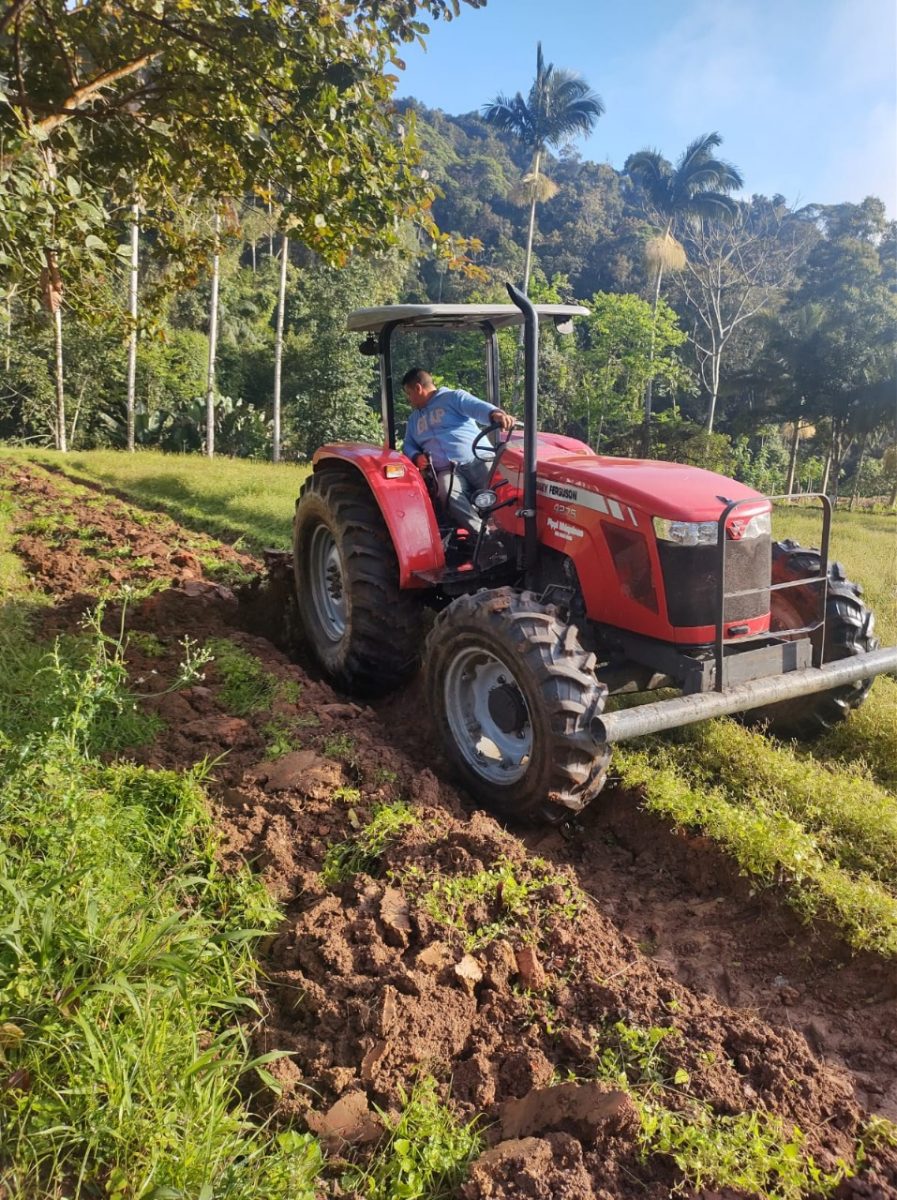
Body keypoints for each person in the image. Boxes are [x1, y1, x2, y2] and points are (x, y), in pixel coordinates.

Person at [401, 367, 515, 534]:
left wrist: (495, 414)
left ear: (418, 388)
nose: (409, 399)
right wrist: (416, 455)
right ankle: (486, 537)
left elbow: (477, 407)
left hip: (478, 459)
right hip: (448, 471)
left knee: (502, 494)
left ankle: (513, 535)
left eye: (409, 393)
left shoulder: (452, 398)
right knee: (446, 492)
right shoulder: (413, 420)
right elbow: (408, 444)